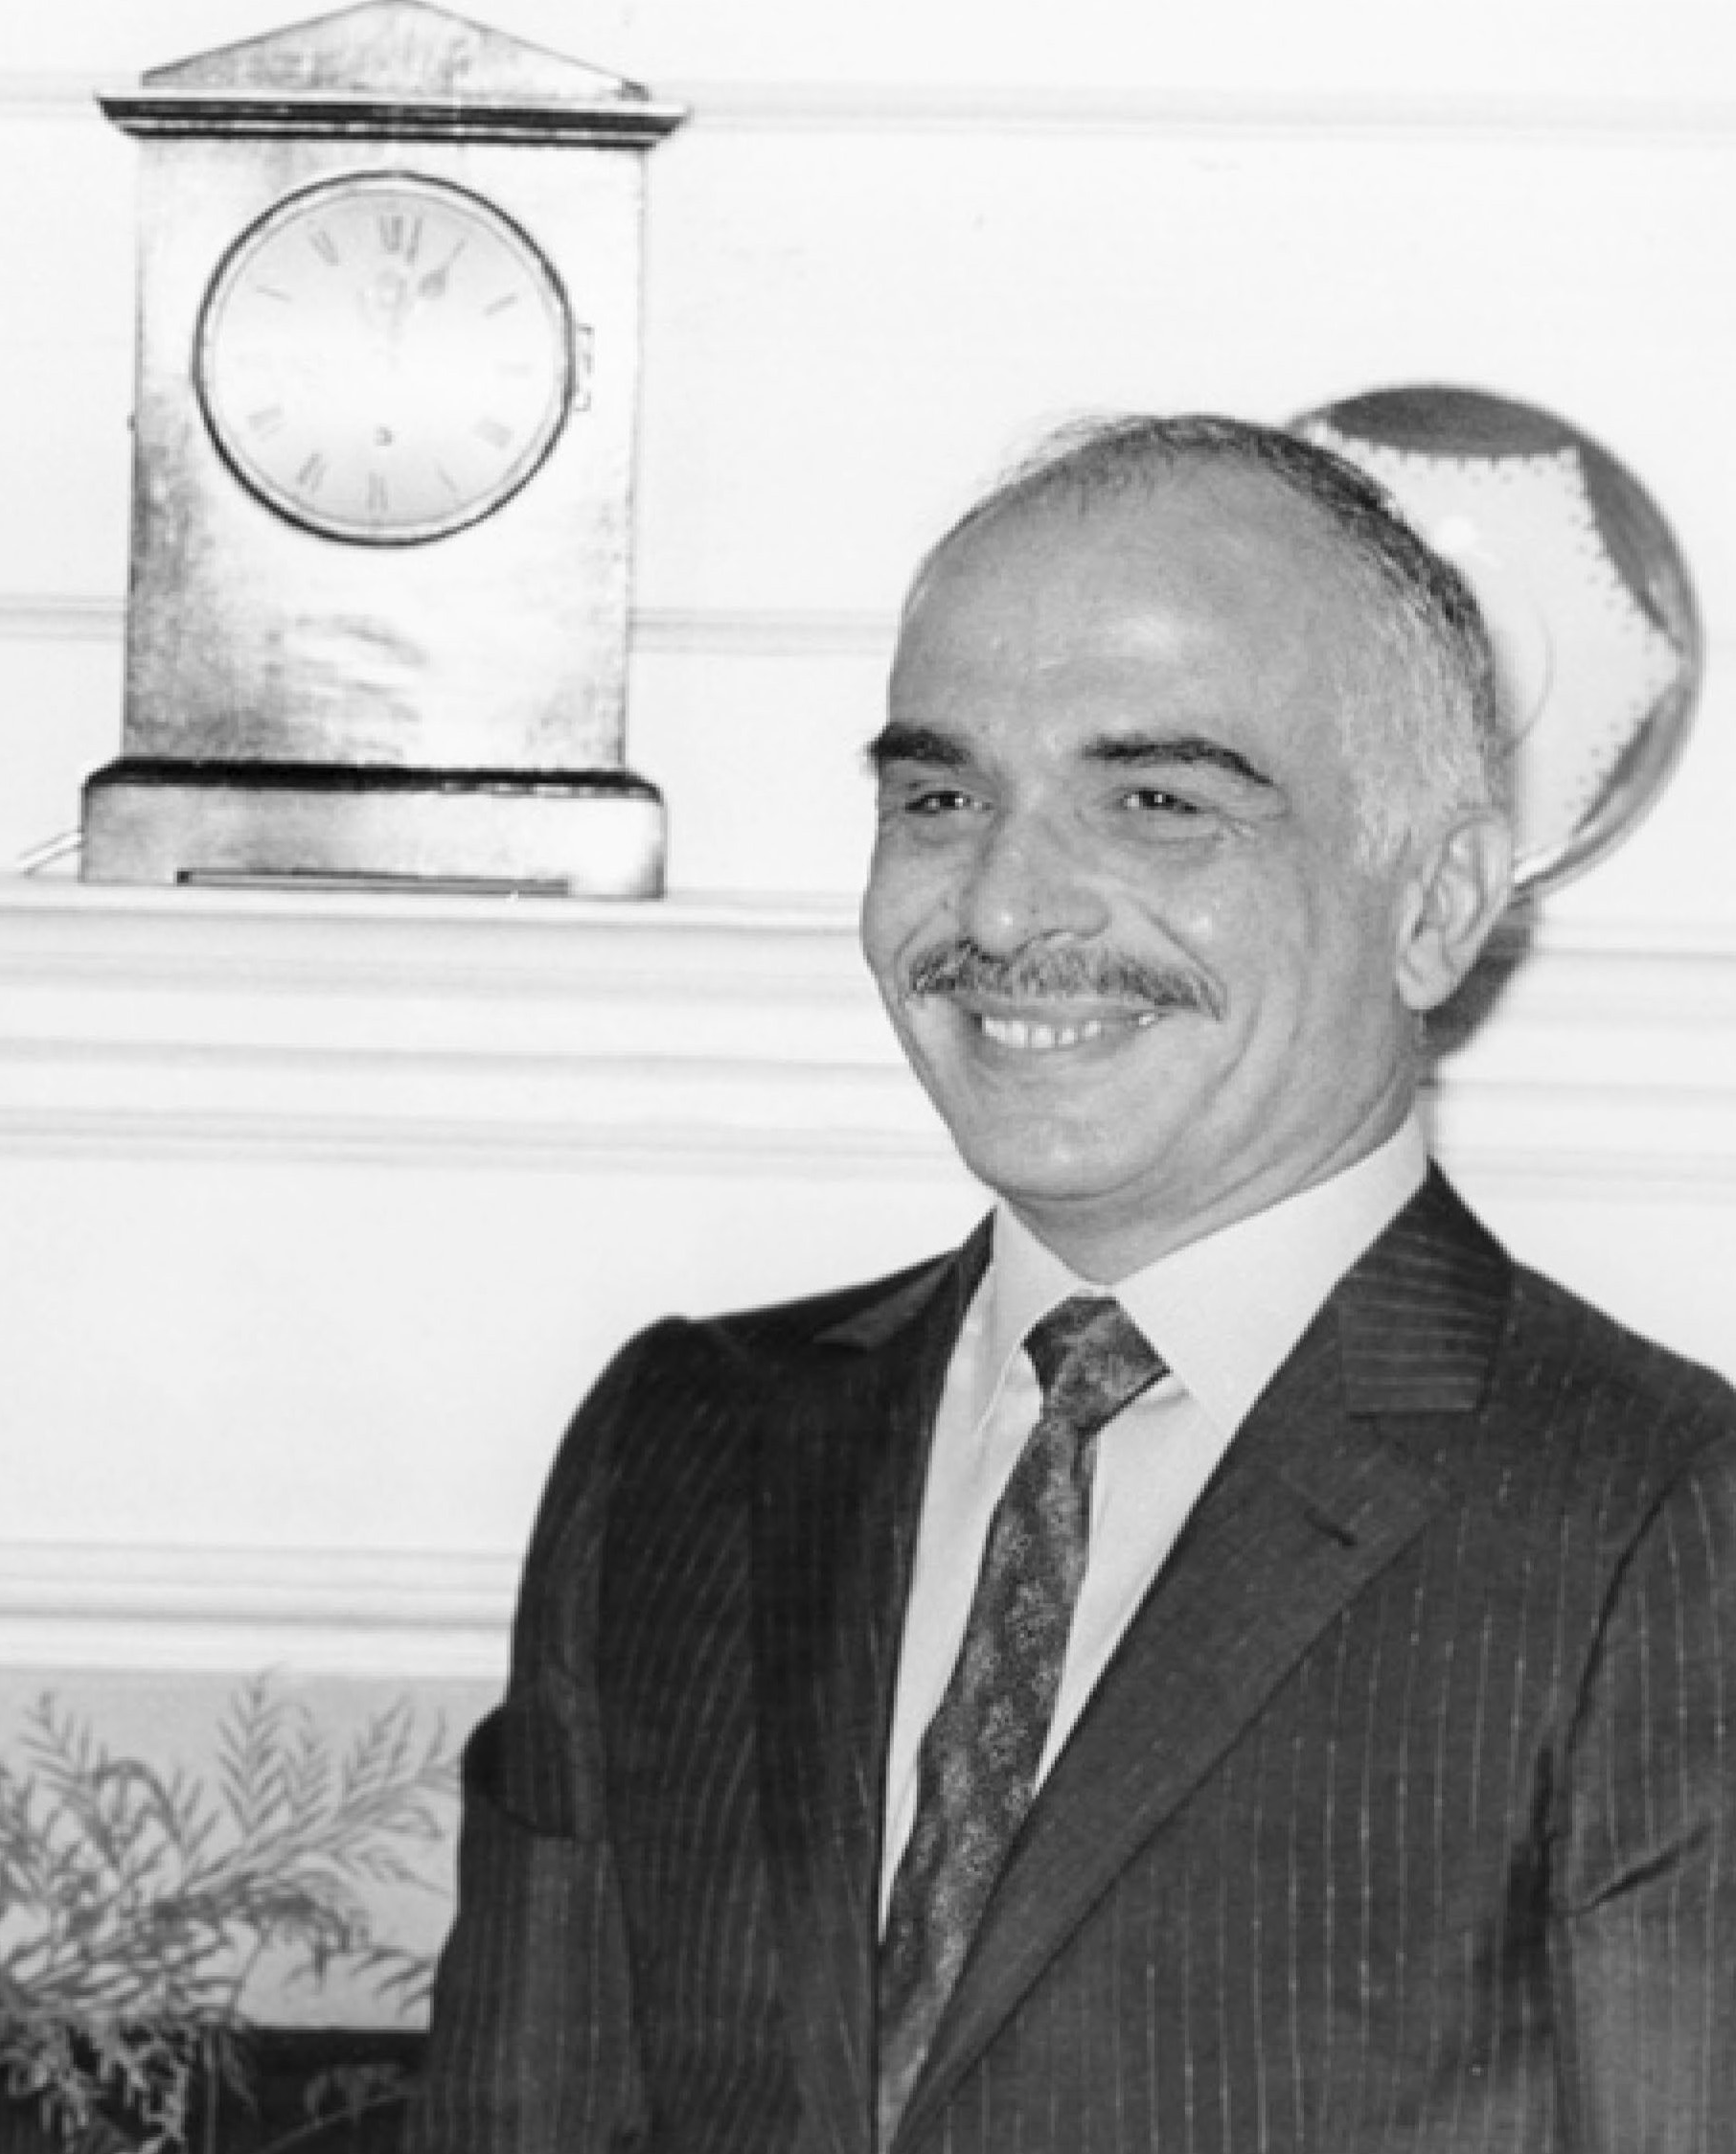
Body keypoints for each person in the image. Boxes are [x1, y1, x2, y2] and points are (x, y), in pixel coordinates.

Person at [411, 415, 1736, 2153]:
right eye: (943, 796)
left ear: (1438, 904)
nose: (1008, 898)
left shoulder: (1664, 1522)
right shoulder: (677, 1445)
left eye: (1161, 801)